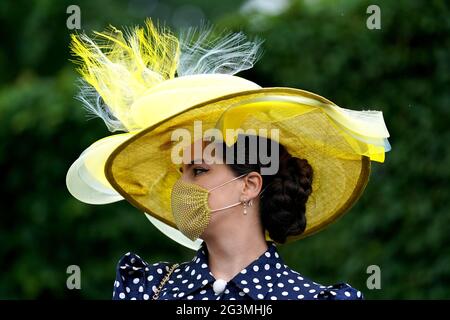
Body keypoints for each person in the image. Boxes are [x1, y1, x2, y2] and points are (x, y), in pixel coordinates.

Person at [66, 18, 391, 300]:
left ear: (249, 185)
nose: (180, 186)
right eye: (182, 171)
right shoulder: (144, 288)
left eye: (199, 170)